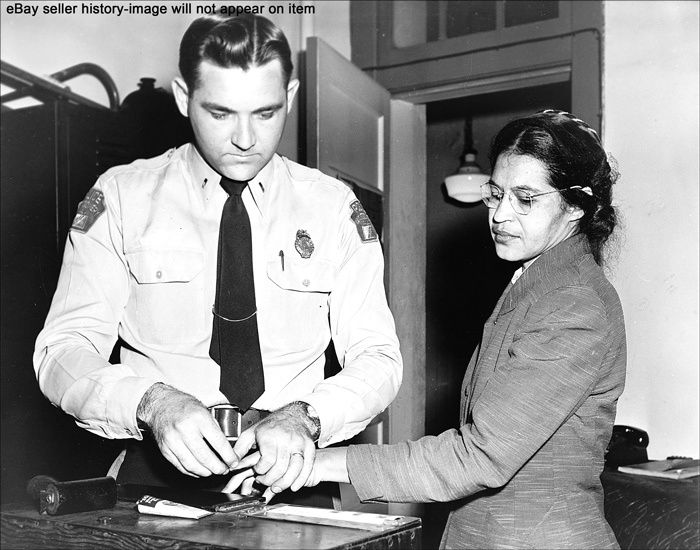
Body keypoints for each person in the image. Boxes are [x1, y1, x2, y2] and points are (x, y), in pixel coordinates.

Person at [33, 14, 402, 503]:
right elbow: (61, 350)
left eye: (266, 113)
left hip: (291, 482)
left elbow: (378, 358)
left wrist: (308, 416)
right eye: (221, 113)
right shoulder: (122, 196)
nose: (246, 139)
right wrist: (152, 403)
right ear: (184, 98)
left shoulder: (333, 208)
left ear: (290, 96)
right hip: (152, 483)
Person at [231, 109, 626, 548]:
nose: (500, 215)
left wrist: (315, 463)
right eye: (495, 194)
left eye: (526, 199)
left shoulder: (574, 304)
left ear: (575, 205)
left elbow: (479, 456)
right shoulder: (537, 283)